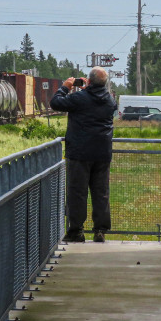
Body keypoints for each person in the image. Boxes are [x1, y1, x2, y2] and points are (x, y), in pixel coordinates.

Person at [49, 66, 116, 243]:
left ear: (89, 81)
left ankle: (76, 231)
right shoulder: (110, 100)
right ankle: (100, 230)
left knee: (77, 193)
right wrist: (88, 89)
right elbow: (94, 102)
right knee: (101, 193)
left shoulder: (79, 98)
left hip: (79, 153)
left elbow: (55, 103)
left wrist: (66, 87)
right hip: (102, 153)